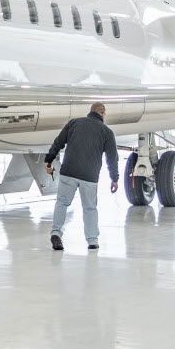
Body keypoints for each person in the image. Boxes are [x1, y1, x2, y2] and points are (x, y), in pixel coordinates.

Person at [43, 102, 120, 251]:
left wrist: (48, 160)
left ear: (90, 112)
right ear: (103, 114)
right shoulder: (107, 132)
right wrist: (114, 178)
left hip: (69, 171)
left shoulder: (74, 123)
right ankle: (92, 240)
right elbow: (112, 158)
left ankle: (56, 233)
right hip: (89, 176)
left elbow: (58, 142)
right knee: (90, 208)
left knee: (62, 203)